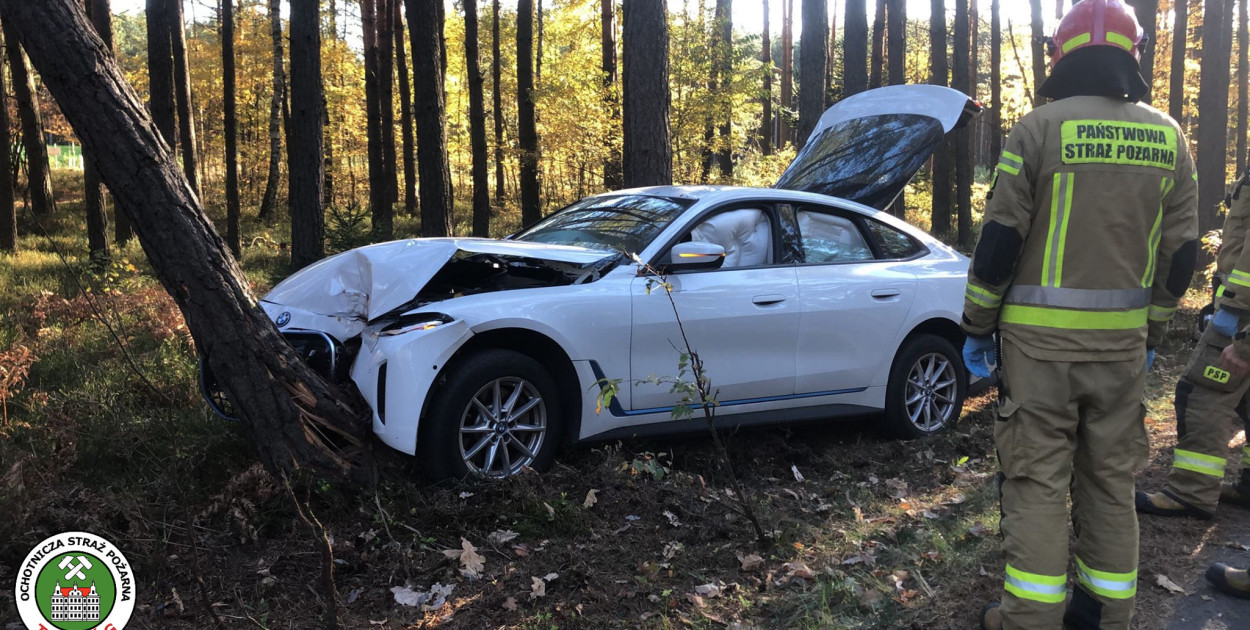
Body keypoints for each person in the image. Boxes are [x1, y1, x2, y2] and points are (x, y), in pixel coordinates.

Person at [960, 1, 1199, 628]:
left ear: (1060, 56)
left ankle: (1031, 620)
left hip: (1036, 353)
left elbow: (1001, 241)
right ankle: (1105, 616)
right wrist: (1155, 328)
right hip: (1121, 354)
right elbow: (1181, 255)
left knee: (1037, 483)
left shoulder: (1039, 129)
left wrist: (976, 328)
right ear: (1134, 56)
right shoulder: (1168, 136)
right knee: (1111, 483)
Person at [1136, 171, 1250, 519]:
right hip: (1239, 306)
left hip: (1242, 313)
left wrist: (1233, 310)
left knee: (1200, 393)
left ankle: (1191, 491)